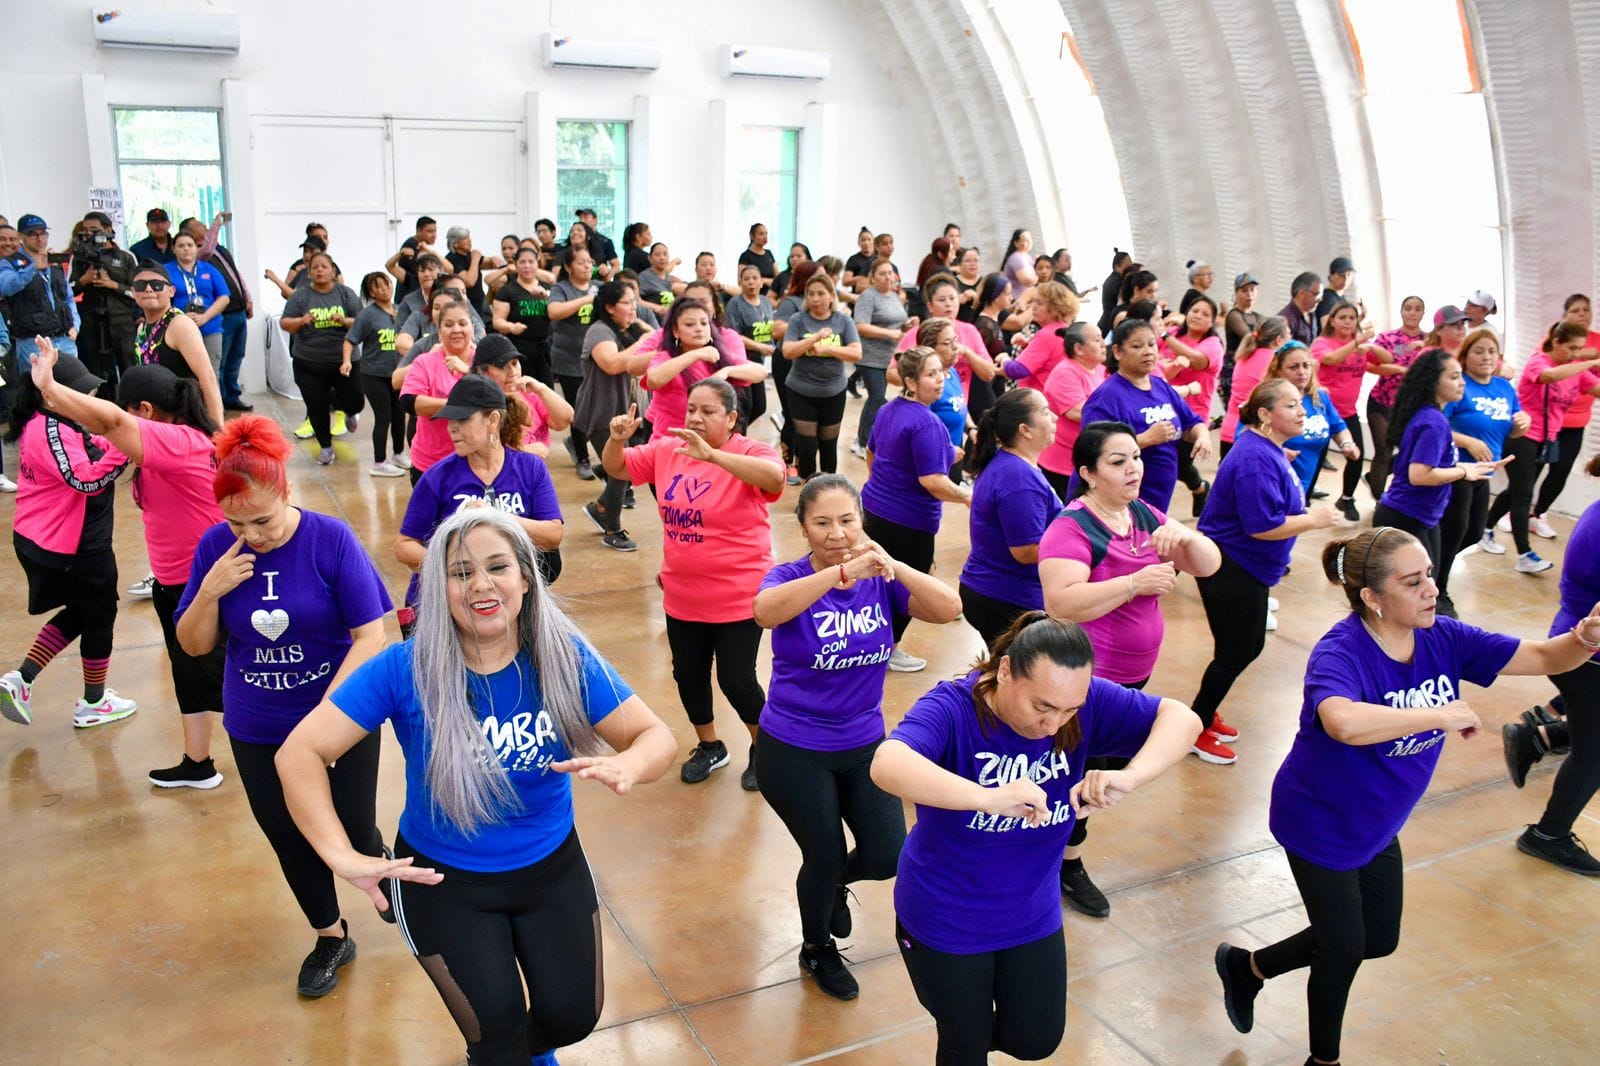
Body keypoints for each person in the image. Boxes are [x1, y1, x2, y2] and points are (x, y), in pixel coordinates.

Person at [280, 507, 675, 1064]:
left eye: (498, 567)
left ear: (525, 578)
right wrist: (342, 856)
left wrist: (630, 764)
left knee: (573, 1018)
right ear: (439, 589)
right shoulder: (404, 668)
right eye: (461, 572)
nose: (482, 585)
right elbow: (299, 754)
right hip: (444, 883)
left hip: (549, 865)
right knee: (496, 1038)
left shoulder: (562, 657)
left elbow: (656, 736)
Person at [1214, 527, 1600, 1066]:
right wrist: (1437, 715)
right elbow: (1343, 721)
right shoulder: (1341, 651)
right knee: (1345, 948)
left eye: (1431, 577)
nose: (1430, 590)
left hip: (1379, 820)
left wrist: (1585, 638)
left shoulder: (1444, 637)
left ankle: (1248, 967)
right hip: (1320, 821)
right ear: (1372, 598)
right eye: (1413, 582)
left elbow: (1542, 656)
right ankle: (1323, 1060)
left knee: (1377, 938)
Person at [872, 614, 1201, 1066]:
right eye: (1041, 706)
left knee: (1036, 1040)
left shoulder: (1079, 707)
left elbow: (1182, 719)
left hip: (1030, 909)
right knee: (963, 1044)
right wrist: (985, 797)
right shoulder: (953, 707)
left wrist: (1131, 777)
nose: (1053, 724)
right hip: (946, 914)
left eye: (1068, 710)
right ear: (1005, 671)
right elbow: (887, 763)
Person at [172, 416, 391, 996]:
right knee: (289, 835)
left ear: (288, 491)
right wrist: (212, 589)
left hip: (339, 719)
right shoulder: (217, 549)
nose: (253, 535)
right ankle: (330, 935)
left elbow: (373, 635)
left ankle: (383, 872)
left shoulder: (330, 540)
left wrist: (326, 718)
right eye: (236, 522)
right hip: (257, 725)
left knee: (352, 826)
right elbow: (193, 645)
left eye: (263, 520)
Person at [754, 474, 961, 1000]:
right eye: (822, 522)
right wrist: (838, 573)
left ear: (862, 521)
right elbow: (765, 611)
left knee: (889, 853)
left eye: (847, 520)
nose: (836, 532)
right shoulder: (790, 577)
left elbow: (948, 608)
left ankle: (831, 889)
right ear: (803, 528)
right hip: (794, 747)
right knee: (822, 854)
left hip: (864, 741)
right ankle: (816, 945)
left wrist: (895, 565)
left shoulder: (880, 579)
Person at [1038, 420, 1222, 912]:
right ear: (1088, 473)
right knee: (1078, 772)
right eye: (1117, 462)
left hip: (1132, 673)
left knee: (1100, 766)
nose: (1132, 469)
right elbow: (1061, 603)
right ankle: (1064, 864)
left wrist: (1183, 532)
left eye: (1134, 459)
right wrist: (1133, 584)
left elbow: (1208, 564)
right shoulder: (1071, 527)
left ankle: (1061, 853)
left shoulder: (1141, 513)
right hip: (1087, 680)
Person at [27, 347, 226, 783]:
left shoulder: (178, 441)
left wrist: (52, 386)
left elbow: (112, 424)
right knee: (190, 677)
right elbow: (100, 436)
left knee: (235, 680)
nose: (123, 416)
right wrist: (52, 405)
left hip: (206, 586)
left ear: (147, 411)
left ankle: (308, 746)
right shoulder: (171, 438)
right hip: (178, 583)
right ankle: (198, 764)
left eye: (128, 409)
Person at [603, 379, 785, 787]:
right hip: (684, 594)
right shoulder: (669, 448)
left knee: (736, 679)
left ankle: (763, 747)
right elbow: (617, 467)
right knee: (688, 674)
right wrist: (616, 440)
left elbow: (774, 478)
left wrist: (715, 457)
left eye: (708, 411)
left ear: (732, 418)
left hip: (740, 595)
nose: (696, 419)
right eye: (692, 410)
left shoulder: (748, 451)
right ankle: (710, 745)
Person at [1191, 379, 1337, 764]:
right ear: (1264, 414)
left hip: (1250, 568)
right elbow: (1262, 525)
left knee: (1247, 646)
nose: (1302, 410)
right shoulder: (1255, 458)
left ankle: (1204, 711)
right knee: (1235, 651)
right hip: (1233, 566)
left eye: (1300, 403)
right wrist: (1314, 520)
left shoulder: (1266, 449)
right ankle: (1195, 724)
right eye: (1291, 405)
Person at [0, 352, 133, 729]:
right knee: (99, 616)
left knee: (81, 611)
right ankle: (94, 702)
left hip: (50, 536)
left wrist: (112, 439)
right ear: (50, 394)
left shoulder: (56, 420)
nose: (88, 400)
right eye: (82, 393)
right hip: (70, 544)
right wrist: (127, 448)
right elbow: (85, 479)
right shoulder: (51, 430)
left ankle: (20, 679)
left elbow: (92, 444)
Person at [395, 374, 563, 628]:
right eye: (450, 419)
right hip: (443, 609)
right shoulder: (437, 478)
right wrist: (451, 570)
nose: (452, 427)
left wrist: (495, 517)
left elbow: (553, 535)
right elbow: (405, 545)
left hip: (506, 604)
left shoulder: (530, 469)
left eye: (462, 419)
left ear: (493, 419)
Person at [1502, 452, 1600, 875]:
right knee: (1594, 754)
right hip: (1586, 657)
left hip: (1578, 651)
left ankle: (1537, 738)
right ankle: (1547, 835)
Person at [862, 346, 972, 673]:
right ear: (911, 380)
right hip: (908, 520)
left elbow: (874, 454)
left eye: (942, 372)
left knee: (883, 579)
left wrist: (944, 452)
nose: (941, 380)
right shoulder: (926, 423)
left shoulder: (890, 409)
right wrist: (967, 496)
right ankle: (888, 649)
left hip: (875, 508)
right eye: (931, 374)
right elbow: (934, 482)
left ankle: (876, 640)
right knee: (906, 584)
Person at [1373, 351, 1507, 603]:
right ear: (1434, 382)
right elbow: (1419, 475)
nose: (1462, 382)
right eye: (1454, 377)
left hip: (1422, 516)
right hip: (1405, 515)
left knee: (1427, 586)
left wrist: (1471, 469)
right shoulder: (1434, 422)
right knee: (1409, 595)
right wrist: (1463, 470)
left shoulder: (1432, 416)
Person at [958, 389, 1062, 649]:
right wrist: (1081, 546)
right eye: (1046, 412)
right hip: (1007, 600)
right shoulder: (1019, 479)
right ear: (1025, 429)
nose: (1054, 418)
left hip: (994, 591)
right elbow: (1025, 551)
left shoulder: (1010, 464)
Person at [1074, 318, 1211, 512]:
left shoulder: (1161, 386)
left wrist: (1202, 437)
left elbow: (1191, 423)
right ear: (1118, 352)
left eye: (1151, 344)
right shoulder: (1106, 398)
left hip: (1157, 499)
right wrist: (1147, 439)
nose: (1147, 351)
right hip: (1118, 505)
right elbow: (1092, 452)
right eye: (1137, 346)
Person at [1488, 321, 1600, 557]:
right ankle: (1525, 554)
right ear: (1556, 342)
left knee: (1514, 492)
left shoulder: (1576, 370)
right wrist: (1590, 362)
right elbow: (1548, 376)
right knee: (1524, 495)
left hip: (1546, 441)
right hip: (1521, 436)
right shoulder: (1538, 361)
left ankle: (1484, 529)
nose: (1575, 354)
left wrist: (1583, 366)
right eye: (1571, 348)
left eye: (1579, 349)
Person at [1440, 331, 1528, 596]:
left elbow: (1511, 429)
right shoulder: (1458, 385)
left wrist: (1521, 425)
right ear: (1465, 356)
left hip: (1484, 474)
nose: (1486, 357)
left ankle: (1431, 565)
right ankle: (1439, 589)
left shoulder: (1504, 388)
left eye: (1491, 351)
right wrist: (1467, 442)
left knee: (1474, 533)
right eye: (1479, 351)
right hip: (1458, 470)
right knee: (1455, 531)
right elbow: (1436, 426)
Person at [573, 280, 651, 552]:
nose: (633, 308)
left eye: (634, 302)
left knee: (631, 465)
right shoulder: (599, 331)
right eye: (627, 302)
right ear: (608, 307)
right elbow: (612, 364)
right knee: (622, 471)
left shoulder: (626, 330)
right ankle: (612, 528)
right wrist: (642, 342)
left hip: (624, 412)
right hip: (601, 412)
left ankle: (601, 505)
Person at [643, 293, 764, 442]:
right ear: (676, 331)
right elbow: (653, 380)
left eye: (704, 323)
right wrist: (696, 354)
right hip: (671, 444)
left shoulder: (718, 357)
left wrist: (726, 371)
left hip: (711, 447)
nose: (699, 329)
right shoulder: (666, 358)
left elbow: (760, 372)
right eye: (689, 324)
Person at [1310, 301, 1387, 522]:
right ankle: (1302, 497)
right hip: (1322, 410)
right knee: (1317, 457)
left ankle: (1346, 498)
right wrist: (1358, 341)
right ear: (1332, 321)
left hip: (1348, 412)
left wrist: (1371, 347)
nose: (1347, 321)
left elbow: (1387, 360)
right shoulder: (1322, 342)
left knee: (1356, 456)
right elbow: (1331, 359)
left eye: (1352, 318)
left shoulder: (1361, 346)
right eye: (1342, 317)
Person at [282, 253, 362, 466]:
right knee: (316, 405)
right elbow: (284, 323)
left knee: (355, 399)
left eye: (324, 267)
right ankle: (325, 446)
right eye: (315, 267)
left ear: (333, 271)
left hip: (343, 359)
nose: (319, 270)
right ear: (309, 273)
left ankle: (351, 412)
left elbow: (361, 322)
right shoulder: (300, 296)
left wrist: (344, 320)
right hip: (309, 360)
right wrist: (301, 321)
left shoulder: (346, 294)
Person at [783, 272, 862, 481]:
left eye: (820, 293)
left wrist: (828, 349)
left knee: (829, 446)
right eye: (811, 294)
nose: (815, 299)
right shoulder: (798, 320)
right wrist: (815, 339)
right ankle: (808, 496)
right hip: (801, 390)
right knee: (808, 446)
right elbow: (788, 351)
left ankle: (828, 494)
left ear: (831, 296)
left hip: (833, 391)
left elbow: (856, 352)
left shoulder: (843, 320)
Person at [130, 261, 226, 428]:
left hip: (185, 424)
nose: (148, 289)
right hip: (158, 423)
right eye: (140, 285)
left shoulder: (179, 325)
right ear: (133, 292)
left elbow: (207, 378)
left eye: (157, 285)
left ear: (171, 291)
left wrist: (218, 431)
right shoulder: (142, 329)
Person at [398, 297, 477, 484]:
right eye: (449, 325)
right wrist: (461, 406)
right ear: (439, 332)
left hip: (476, 462)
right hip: (430, 464)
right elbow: (410, 402)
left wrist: (468, 372)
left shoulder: (485, 361)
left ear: (472, 329)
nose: (456, 329)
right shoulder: (425, 362)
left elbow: (499, 401)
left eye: (462, 323)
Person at [1159, 295, 1225, 516]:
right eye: (1195, 310)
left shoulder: (1213, 344)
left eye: (1206, 314)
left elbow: (1197, 360)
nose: (1198, 316)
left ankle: (1200, 488)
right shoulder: (1175, 334)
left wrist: (1165, 335)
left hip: (1192, 416)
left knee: (1179, 465)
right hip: (1161, 411)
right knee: (1163, 463)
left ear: (1212, 322)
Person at [1273, 342, 1361, 503]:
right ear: (1278, 370)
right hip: (1274, 482)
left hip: (1304, 484)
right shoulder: (1268, 398)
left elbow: (1338, 426)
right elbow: (1244, 437)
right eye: (1293, 367)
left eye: (1306, 365)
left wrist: (1347, 444)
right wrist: (1274, 453)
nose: (1301, 372)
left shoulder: (1319, 397)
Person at [187, 213, 254, 410]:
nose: (205, 226)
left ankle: (232, 395)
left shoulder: (220, 250)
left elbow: (236, 274)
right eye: (199, 225)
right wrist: (217, 223)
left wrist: (248, 298)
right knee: (221, 360)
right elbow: (207, 246)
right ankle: (219, 400)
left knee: (236, 356)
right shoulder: (200, 255)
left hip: (239, 310)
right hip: (222, 315)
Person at [1364, 295, 1428, 500]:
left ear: (1423, 313)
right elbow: (1370, 364)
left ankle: (1374, 477)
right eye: (1408, 308)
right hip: (1381, 402)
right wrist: (1397, 369)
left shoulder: (1428, 341)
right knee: (1383, 450)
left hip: (1411, 408)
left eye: (1417, 309)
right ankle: (1379, 501)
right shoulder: (1386, 338)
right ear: (1401, 312)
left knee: (1410, 451)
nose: (1412, 313)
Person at [344, 271, 408, 476]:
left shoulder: (400, 311)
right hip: (373, 374)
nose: (384, 289)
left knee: (399, 415)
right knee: (384, 416)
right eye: (377, 286)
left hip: (397, 374)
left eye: (386, 284)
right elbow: (350, 339)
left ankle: (399, 453)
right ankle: (379, 462)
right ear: (370, 292)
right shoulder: (367, 315)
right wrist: (346, 361)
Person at [471, 334, 573, 458]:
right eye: (502, 366)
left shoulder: (530, 394)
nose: (513, 372)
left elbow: (564, 421)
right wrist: (521, 449)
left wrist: (541, 388)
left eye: (514, 364)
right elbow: (478, 448)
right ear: (483, 372)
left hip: (533, 473)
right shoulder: (479, 404)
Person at [852, 258, 915, 456]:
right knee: (876, 397)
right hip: (870, 356)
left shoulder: (894, 296)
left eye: (890, 273)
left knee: (878, 399)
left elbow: (897, 324)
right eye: (882, 273)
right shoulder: (868, 296)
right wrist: (889, 334)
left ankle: (864, 438)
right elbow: (860, 325)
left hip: (889, 358)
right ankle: (862, 442)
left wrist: (908, 325)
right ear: (872, 278)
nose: (888, 277)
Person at [0, 213, 80, 369]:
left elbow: (68, 297)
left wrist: (75, 324)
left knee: (72, 387)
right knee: (37, 390)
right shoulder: (9, 263)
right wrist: (32, 268)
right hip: (33, 341)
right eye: (32, 234)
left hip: (64, 338)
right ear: (21, 236)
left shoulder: (53, 261)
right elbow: (7, 287)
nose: (39, 238)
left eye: (43, 233)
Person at [548, 248, 601, 480]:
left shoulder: (600, 286)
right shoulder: (561, 289)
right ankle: (583, 459)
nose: (587, 266)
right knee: (578, 413)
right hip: (569, 361)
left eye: (589, 262)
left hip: (597, 360)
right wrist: (587, 299)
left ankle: (575, 440)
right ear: (569, 267)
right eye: (581, 262)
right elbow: (554, 311)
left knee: (597, 411)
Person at [1038, 323, 1107, 502]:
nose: (1103, 344)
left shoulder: (1100, 369)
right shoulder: (1065, 372)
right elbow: (1078, 412)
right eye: (1097, 340)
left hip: (1090, 459)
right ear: (1079, 348)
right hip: (1062, 464)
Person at [68, 210, 139, 382]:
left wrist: (113, 285)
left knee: (129, 368)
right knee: (95, 371)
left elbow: (138, 292)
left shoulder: (126, 257)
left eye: (94, 230)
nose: (89, 234)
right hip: (91, 321)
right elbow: (68, 290)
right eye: (85, 230)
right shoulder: (79, 257)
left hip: (121, 322)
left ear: (108, 229)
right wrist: (84, 280)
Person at [1218, 317, 1289, 457]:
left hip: (1229, 430)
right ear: (1279, 340)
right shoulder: (1274, 360)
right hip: (1252, 434)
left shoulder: (1245, 355)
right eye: (1288, 335)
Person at [164, 232, 231, 373]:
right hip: (180, 330)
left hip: (210, 328)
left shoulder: (209, 269)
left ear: (196, 248)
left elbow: (224, 297)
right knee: (185, 372)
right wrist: (180, 317)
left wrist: (205, 317)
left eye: (190, 245)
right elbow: (161, 299)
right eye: (181, 245)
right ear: (173, 249)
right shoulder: (166, 271)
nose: (186, 249)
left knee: (211, 372)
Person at [491, 246, 553, 385]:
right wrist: (511, 327)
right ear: (516, 264)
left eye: (531, 262)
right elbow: (497, 321)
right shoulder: (507, 291)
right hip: (520, 348)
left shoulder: (547, 288)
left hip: (545, 347)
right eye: (522, 262)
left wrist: (546, 296)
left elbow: (556, 311)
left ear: (537, 264)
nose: (527, 266)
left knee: (546, 388)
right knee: (523, 387)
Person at [724, 263, 776, 426]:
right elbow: (733, 335)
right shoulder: (735, 303)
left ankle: (737, 432)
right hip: (742, 361)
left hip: (760, 362)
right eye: (746, 279)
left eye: (755, 278)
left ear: (762, 282)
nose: (751, 282)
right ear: (740, 283)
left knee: (759, 407)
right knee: (747, 406)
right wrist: (759, 347)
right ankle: (736, 434)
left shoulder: (766, 302)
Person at [1218, 273, 1262, 423]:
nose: (1249, 294)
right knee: (1237, 415)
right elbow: (1248, 337)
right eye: (1244, 290)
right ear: (1236, 293)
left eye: (1252, 289)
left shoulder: (1258, 316)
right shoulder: (1233, 315)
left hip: (1253, 371)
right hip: (1233, 371)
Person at [387, 215, 440, 301]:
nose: (434, 235)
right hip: (408, 298)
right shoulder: (411, 246)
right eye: (430, 231)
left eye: (435, 231)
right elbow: (390, 266)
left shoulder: (419, 246)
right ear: (419, 231)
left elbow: (449, 268)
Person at [443, 226, 494, 313]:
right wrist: (475, 259)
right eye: (465, 239)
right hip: (467, 305)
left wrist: (495, 259)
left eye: (469, 237)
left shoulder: (469, 255)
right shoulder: (452, 259)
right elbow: (469, 282)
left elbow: (491, 263)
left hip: (481, 301)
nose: (469, 241)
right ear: (455, 244)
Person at [1280, 271, 1322, 347]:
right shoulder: (1286, 319)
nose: (1320, 299)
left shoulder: (1312, 313)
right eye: (1316, 294)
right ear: (1301, 293)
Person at [1313, 256, 1357, 322]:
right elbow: (1327, 328)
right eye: (1341, 275)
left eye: (1349, 274)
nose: (1346, 279)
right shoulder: (1328, 299)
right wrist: (1363, 326)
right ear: (1331, 276)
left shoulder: (1339, 294)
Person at [1001, 229, 1037, 298]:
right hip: (1017, 299)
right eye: (1025, 240)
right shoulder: (1016, 258)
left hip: (1027, 298)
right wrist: (1040, 274)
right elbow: (1027, 281)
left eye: (1030, 239)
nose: (1029, 242)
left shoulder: (1027, 256)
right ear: (1016, 243)